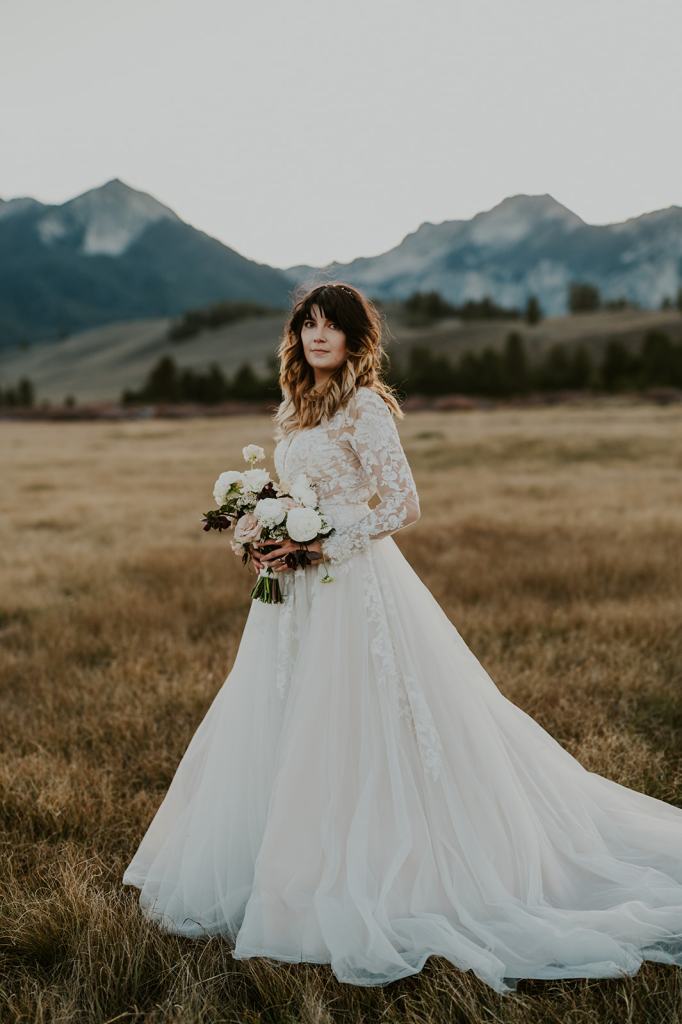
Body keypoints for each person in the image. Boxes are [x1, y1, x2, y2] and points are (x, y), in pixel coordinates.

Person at [123, 282, 682, 995]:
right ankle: (286, 871)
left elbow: (402, 504)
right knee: (287, 720)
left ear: (358, 339)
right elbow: (290, 500)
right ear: (295, 337)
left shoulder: (366, 406)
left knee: (363, 719)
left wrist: (322, 542)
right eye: (307, 325)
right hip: (291, 597)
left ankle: (399, 869)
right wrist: (261, 536)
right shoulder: (294, 410)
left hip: (356, 588)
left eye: (331, 326)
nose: (317, 335)